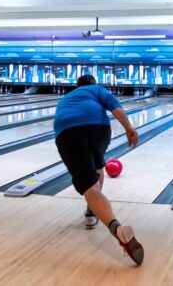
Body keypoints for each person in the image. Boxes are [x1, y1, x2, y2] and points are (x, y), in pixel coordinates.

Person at [54, 74, 144, 266]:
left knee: (89, 187)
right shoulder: (98, 90)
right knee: (98, 166)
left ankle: (114, 227)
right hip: (99, 129)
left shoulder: (66, 98)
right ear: (94, 84)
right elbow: (116, 108)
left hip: (68, 132)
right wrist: (129, 128)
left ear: (76, 86)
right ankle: (92, 211)